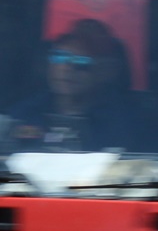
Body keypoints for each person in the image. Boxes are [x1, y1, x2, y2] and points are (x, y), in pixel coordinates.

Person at [8, 19, 150, 152]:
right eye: (59, 56)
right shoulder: (26, 112)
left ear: (105, 71)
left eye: (82, 61)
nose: (66, 68)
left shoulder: (128, 122)